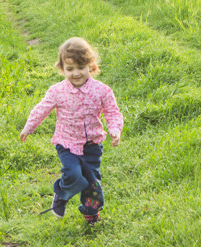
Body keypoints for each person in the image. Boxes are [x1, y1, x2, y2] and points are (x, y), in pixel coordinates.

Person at [19, 37, 123, 224]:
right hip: (66, 143)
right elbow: (42, 109)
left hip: (92, 145)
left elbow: (112, 112)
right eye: (70, 69)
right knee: (74, 174)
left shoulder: (102, 91)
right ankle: (61, 193)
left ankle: (91, 214)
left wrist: (115, 129)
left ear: (90, 66)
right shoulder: (57, 91)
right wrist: (29, 127)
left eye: (80, 68)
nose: (76, 73)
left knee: (92, 185)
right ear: (62, 69)